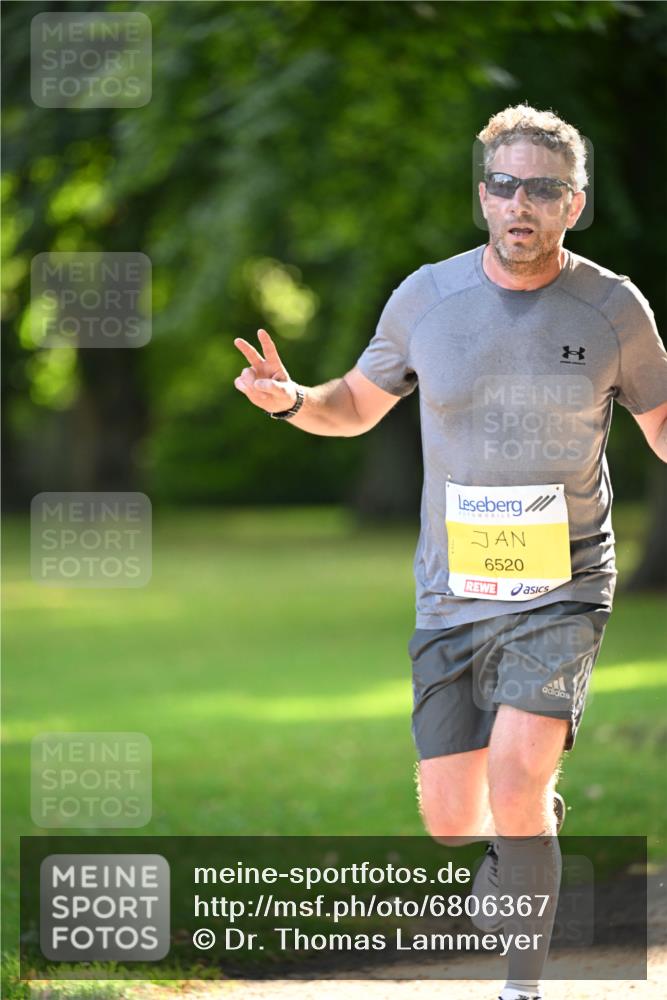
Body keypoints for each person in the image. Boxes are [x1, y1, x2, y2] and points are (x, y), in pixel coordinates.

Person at [233, 104, 667, 1000]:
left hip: (564, 584)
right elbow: (353, 404)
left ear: (572, 204)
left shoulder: (613, 306)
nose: (521, 203)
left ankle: (521, 985)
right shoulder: (425, 299)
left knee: (512, 777)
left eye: (542, 189)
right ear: (482, 196)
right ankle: (529, 819)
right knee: (449, 820)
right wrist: (289, 399)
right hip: (451, 594)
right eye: (504, 185)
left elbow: (661, 421)